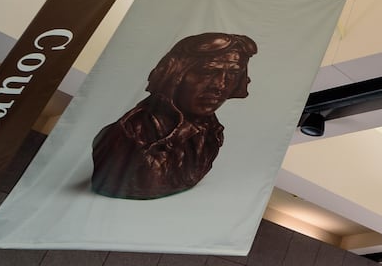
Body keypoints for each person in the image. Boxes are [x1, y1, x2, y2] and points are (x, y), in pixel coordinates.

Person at [90, 32, 257, 199]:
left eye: (233, 75)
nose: (220, 85)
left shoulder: (212, 132)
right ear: (175, 74)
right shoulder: (129, 134)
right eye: (207, 72)